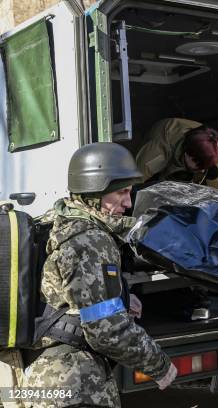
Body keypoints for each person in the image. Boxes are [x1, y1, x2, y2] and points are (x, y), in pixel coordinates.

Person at [23, 143, 176, 407]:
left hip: (41, 376)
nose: (128, 203)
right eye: (121, 192)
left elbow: (63, 296)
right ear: (94, 192)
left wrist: (123, 298)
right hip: (76, 383)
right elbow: (106, 330)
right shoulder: (90, 240)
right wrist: (160, 366)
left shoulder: (55, 221)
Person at [136, 118, 218, 188]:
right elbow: (130, 181)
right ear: (188, 154)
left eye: (205, 166)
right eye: (199, 164)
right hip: (162, 137)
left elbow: (214, 189)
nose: (202, 171)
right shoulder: (159, 150)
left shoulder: (212, 151)